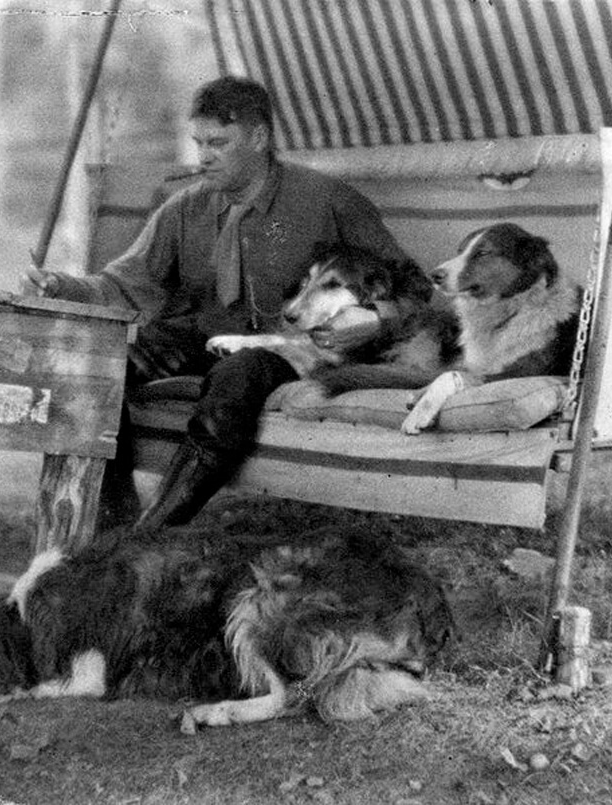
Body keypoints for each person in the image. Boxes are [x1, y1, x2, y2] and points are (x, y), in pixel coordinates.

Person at [26, 76, 418, 533]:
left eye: (218, 143)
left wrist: (375, 321)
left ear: (258, 138)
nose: (204, 156)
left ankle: (153, 535)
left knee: (238, 374)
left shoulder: (328, 201)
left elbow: (413, 288)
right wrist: (59, 287)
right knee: (99, 365)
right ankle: (114, 521)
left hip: (288, 349)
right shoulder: (184, 208)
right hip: (202, 336)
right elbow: (123, 285)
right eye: (199, 143)